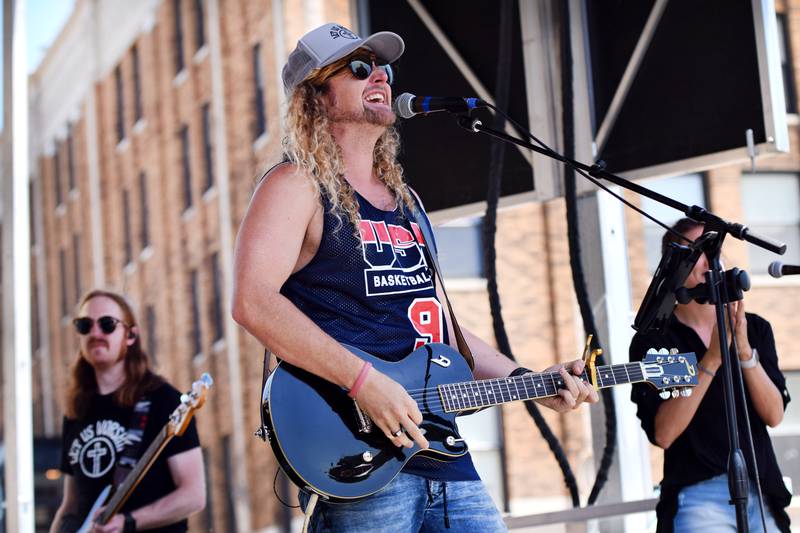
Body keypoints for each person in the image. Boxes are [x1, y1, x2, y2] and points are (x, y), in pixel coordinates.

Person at [232, 22, 598, 532]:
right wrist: (365, 382)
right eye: (359, 68)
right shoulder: (295, 185)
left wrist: (526, 380)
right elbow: (252, 303)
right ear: (315, 94)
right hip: (360, 457)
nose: (380, 74)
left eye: (382, 66)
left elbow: (439, 328)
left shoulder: (408, 201)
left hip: (444, 454)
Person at [629, 218, 792, 533]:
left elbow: (774, 415)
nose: (707, 261)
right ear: (675, 265)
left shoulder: (755, 327)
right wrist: (713, 358)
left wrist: (743, 351)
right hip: (697, 495)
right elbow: (663, 434)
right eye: (697, 252)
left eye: (714, 250)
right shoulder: (655, 340)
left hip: (760, 486)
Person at [50, 289, 206, 533]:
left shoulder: (164, 400)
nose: (95, 333)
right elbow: (70, 507)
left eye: (107, 324)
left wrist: (128, 521)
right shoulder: (76, 409)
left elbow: (193, 495)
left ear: (131, 335)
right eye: (85, 325)